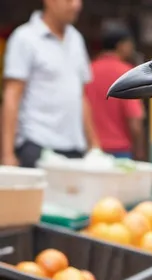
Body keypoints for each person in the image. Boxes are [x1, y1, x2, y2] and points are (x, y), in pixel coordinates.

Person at [1, 0, 99, 168]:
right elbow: (12, 96)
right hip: (36, 145)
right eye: (69, 0)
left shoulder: (76, 39)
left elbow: (80, 96)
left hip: (73, 148)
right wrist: (7, 155)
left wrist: (95, 146)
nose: (76, 5)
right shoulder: (25, 38)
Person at [85, 26, 145, 160]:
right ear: (121, 46)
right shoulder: (127, 74)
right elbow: (135, 121)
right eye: (130, 44)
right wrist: (140, 150)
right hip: (120, 152)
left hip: (91, 151)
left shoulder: (88, 71)